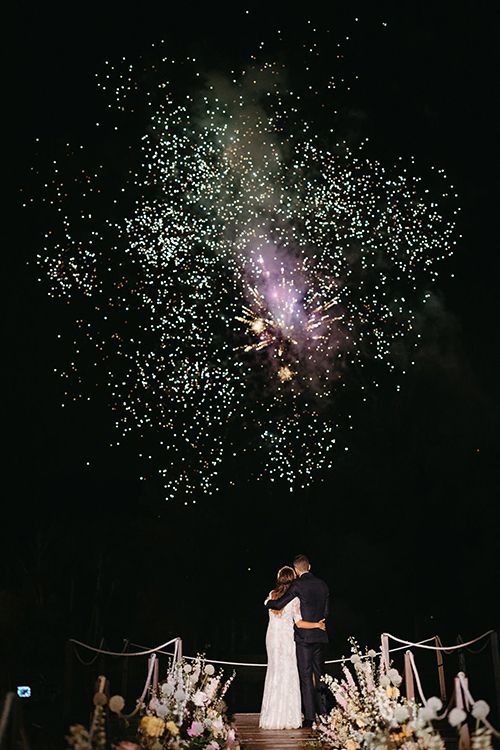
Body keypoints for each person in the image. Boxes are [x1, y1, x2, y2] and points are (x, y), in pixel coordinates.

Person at [264, 554, 330, 728]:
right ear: (309, 566)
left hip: (303, 639)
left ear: (296, 570)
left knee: (306, 677)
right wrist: (319, 623)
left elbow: (278, 605)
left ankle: (309, 718)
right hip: (320, 636)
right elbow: (326, 611)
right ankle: (324, 714)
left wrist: (267, 603)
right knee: (321, 676)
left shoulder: (297, 585)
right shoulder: (323, 584)